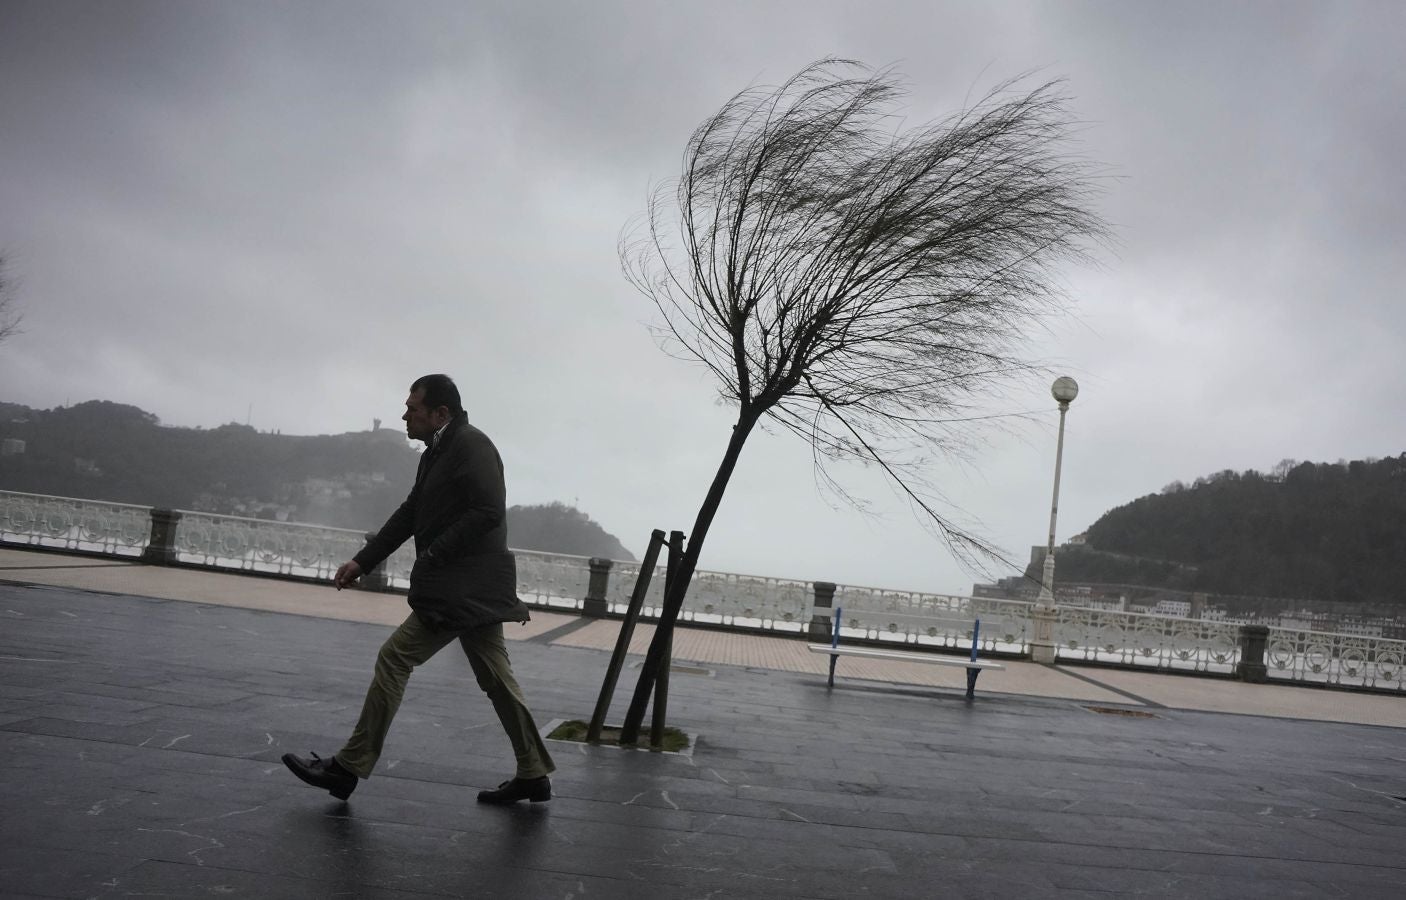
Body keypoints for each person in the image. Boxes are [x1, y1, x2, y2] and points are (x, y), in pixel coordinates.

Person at [282, 374, 555, 804]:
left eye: (412, 408)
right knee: (497, 678)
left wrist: (435, 553)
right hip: (472, 587)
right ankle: (533, 772)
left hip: (463, 589)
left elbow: (488, 510)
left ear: (440, 413)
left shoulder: (472, 446)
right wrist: (363, 561)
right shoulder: (436, 453)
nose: (405, 415)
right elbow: (411, 512)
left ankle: (348, 767)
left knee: (395, 657)